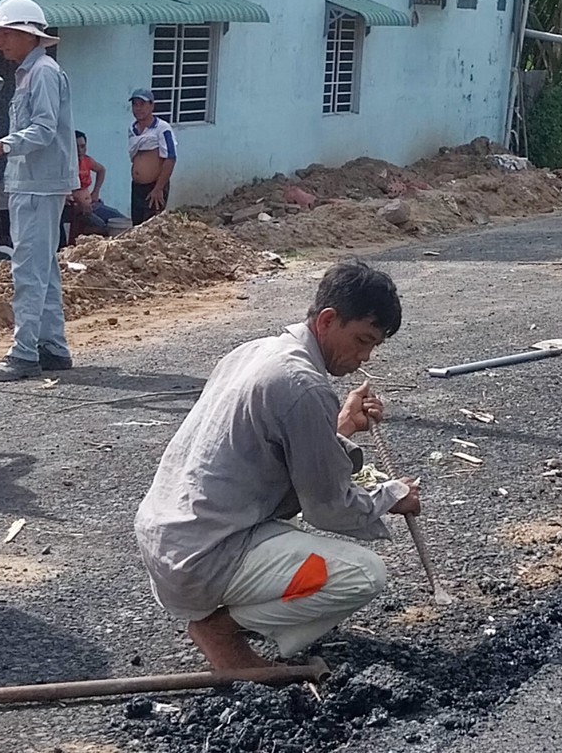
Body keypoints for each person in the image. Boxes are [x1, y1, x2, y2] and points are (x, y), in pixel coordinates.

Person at [134, 262, 424, 671]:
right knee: (364, 574)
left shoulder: (255, 352)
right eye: (361, 340)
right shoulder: (303, 385)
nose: (363, 358)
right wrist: (392, 495)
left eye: (372, 346)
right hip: (204, 554)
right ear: (327, 320)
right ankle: (222, 630)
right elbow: (329, 508)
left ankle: (237, 614)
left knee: (303, 548)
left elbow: (273, 455)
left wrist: (339, 429)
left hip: (172, 536)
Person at [0, 0, 77, 381]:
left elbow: (45, 129)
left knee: (28, 269)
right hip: (33, 182)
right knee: (42, 267)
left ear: (29, 36)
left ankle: (24, 351)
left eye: (8, 33)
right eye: (0, 33)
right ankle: (52, 346)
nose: (2, 41)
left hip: (38, 183)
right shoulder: (32, 74)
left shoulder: (43, 73)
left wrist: (4, 145)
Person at [64, 132, 130, 240]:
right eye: (76, 147)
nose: (80, 150)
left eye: (83, 146)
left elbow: (101, 170)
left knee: (120, 220)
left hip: (92, 203)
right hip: (76, 208)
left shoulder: (87, 160)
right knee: (102, 227)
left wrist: (96, 191)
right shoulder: (65, 165)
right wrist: (75, 200)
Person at [128, 89, 178, 224]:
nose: (138, 109)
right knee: (137, 226)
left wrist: (158, 188)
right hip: (138, 187)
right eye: (135, 105)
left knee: (150, 227)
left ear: (151, 106)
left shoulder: (162, 128)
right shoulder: (133, 129)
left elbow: (171, 158)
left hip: (154, 187)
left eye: (142, 104)